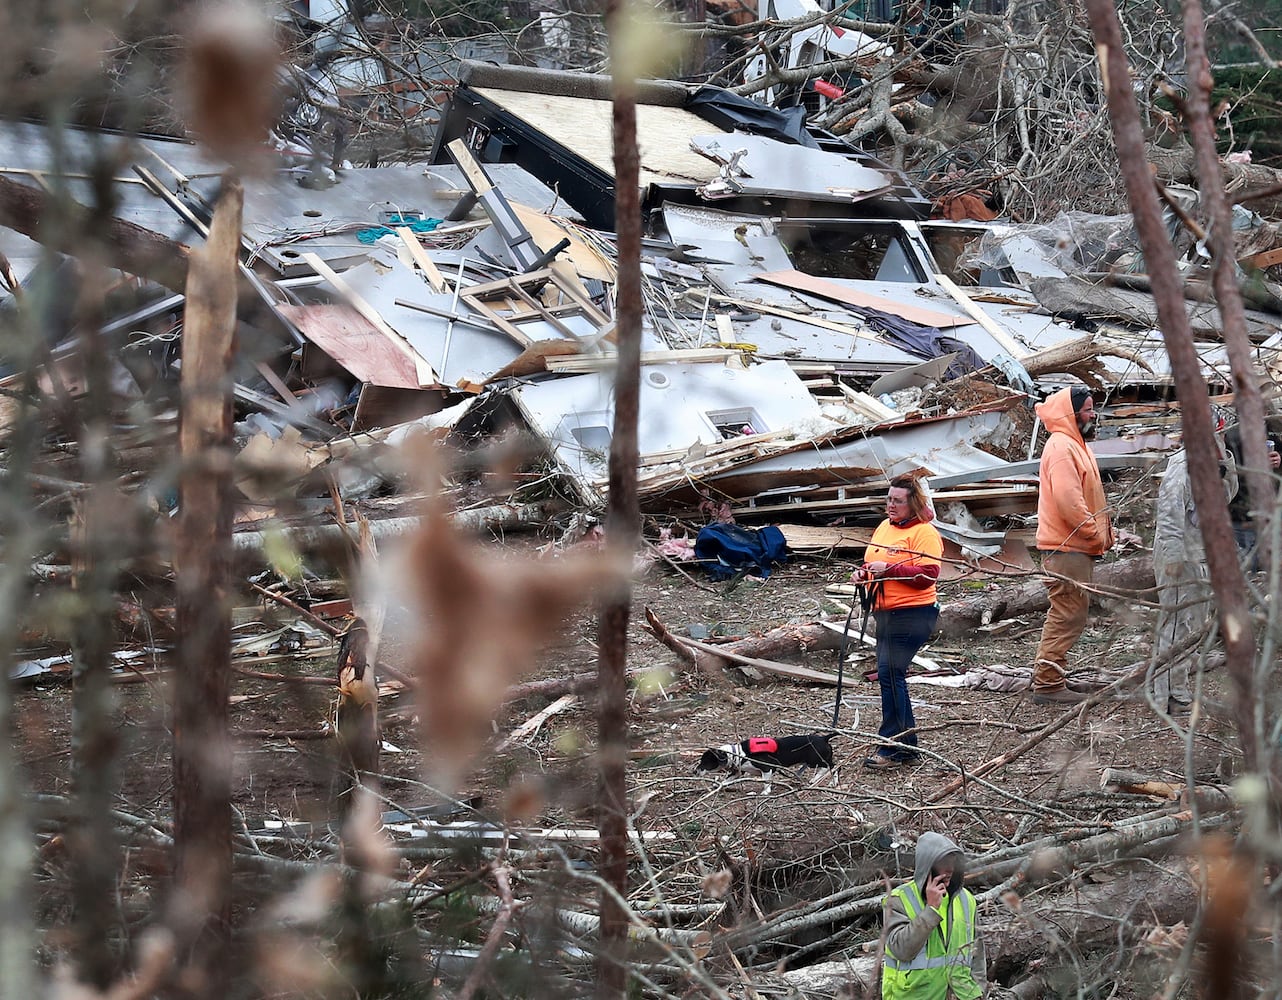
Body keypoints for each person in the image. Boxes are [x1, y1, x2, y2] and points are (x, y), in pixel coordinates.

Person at [1030, 386, 1114, 705]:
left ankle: (1052, 676)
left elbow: (1088, 495)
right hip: (1067, 548)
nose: (1093, 414)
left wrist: (1103, 531)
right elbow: (1070, 501)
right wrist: (1093, 532)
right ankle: (1048, 684)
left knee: (1071, 614)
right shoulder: (1062, 447)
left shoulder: (1074, 444)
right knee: (1066, 615)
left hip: (1075, 548)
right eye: (1089, 409)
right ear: (1072, 412)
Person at [854, 474, 943, 770]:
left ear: (912, 503)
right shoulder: (884, 527)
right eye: (889, 499)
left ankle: (897, 747)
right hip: (885, 613)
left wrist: (890, 569)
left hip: (913, 614)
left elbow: (927, 575)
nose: (891, 505)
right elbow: (872, 563)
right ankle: (901, 745)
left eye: (898, 501)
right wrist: (864, 575)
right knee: (890, 677)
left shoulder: (924, 532)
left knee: (891, 674)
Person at [1151, 440, 1236, 715]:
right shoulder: (1181, 467)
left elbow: (1227, 496)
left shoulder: (1211, 463)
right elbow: (1168, 515)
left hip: (1200, 553)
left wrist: (1228, 464)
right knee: (1174, 625)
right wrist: (1174, 559)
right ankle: (1163, 694)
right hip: (1181, 557)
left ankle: (1178, 687)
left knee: (1191, 626)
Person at [881, 831, 986, 1000]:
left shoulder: (966, 900)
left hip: (961, 995)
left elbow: (977, 954)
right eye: (943, 863)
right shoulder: (899, 899)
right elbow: (901, 950)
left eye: (953, 864)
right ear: (927, 866)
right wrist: (931, 909)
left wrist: (979, 991)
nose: (950, 870)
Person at [1222, 423, 1280, 569]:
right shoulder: (1232, 437)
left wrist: (1279, 459)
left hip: (1269, 516)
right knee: (1247, 569)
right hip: (1242, 517)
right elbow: (1228, 475)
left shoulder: (1272, 432)